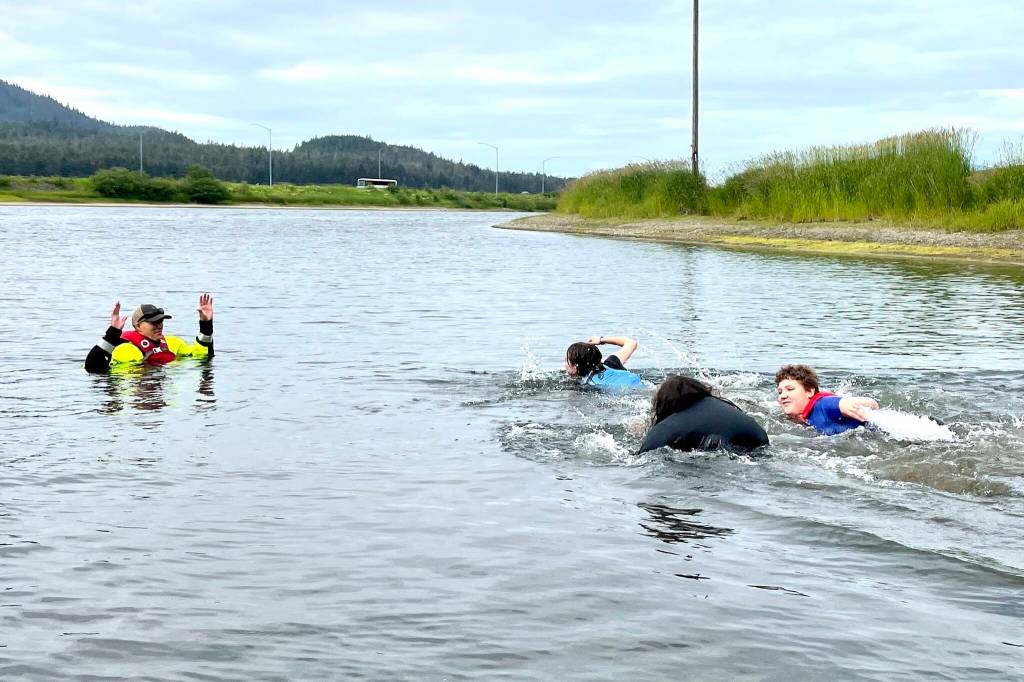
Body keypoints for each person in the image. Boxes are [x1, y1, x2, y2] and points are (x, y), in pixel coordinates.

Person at [84, 294, 214, 374]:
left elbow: (202, 357)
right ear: (138, 326)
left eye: (161, 321)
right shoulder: (126, 349)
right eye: (153, 322)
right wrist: (112, 334)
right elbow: (93, 368)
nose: (159, 325)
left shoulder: (173, 343)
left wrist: (206, 324)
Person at [638, 374, 769, 453]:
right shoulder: (729, 408)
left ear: (665, 402)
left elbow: (642, 456)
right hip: (760, 446)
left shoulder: (669, 425)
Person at [775, 364, 877, 436]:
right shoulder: (796, 417)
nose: (783, 396)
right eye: (780, 392)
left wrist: (846, 404)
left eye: (790, 389)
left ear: (810, 391)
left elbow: (872, 403)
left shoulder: (823, 404)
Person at [564, 334, 644, 389]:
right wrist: (601, 340)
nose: (564, 365)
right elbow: (631, 343)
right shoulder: (611, 363)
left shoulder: (587, 385)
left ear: (576, 366)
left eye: (566, 361)